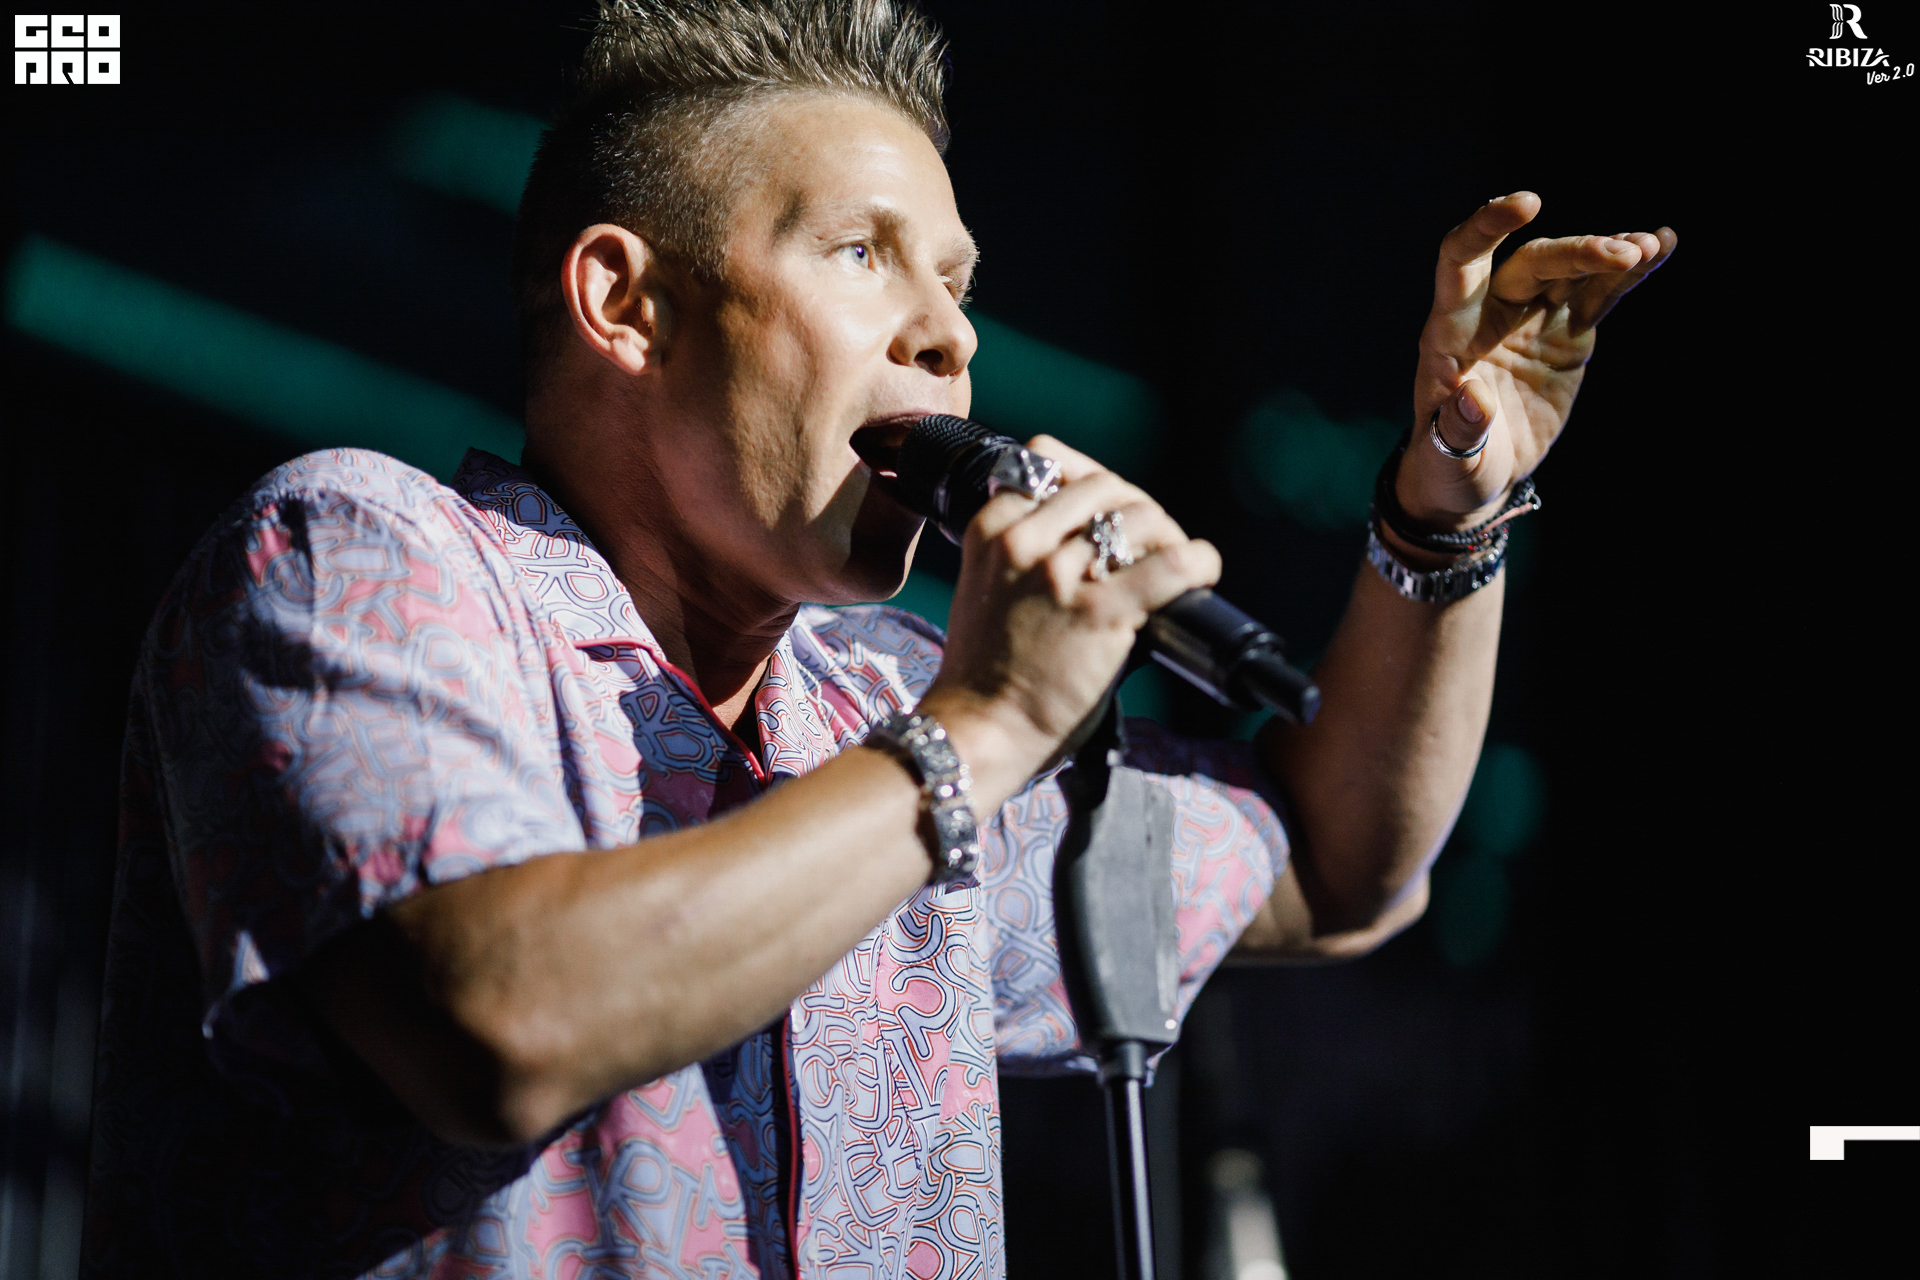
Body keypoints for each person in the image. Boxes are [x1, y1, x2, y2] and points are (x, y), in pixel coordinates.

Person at [80, 1, 1675, 1275]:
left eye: (961, 283)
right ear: (627, 303)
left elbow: (1341, 861)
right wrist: (977, 736)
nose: (952, 331)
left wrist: (1446, 511)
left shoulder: (878, 701)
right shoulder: (356, 554)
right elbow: (491, 1024)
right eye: (864, 254)